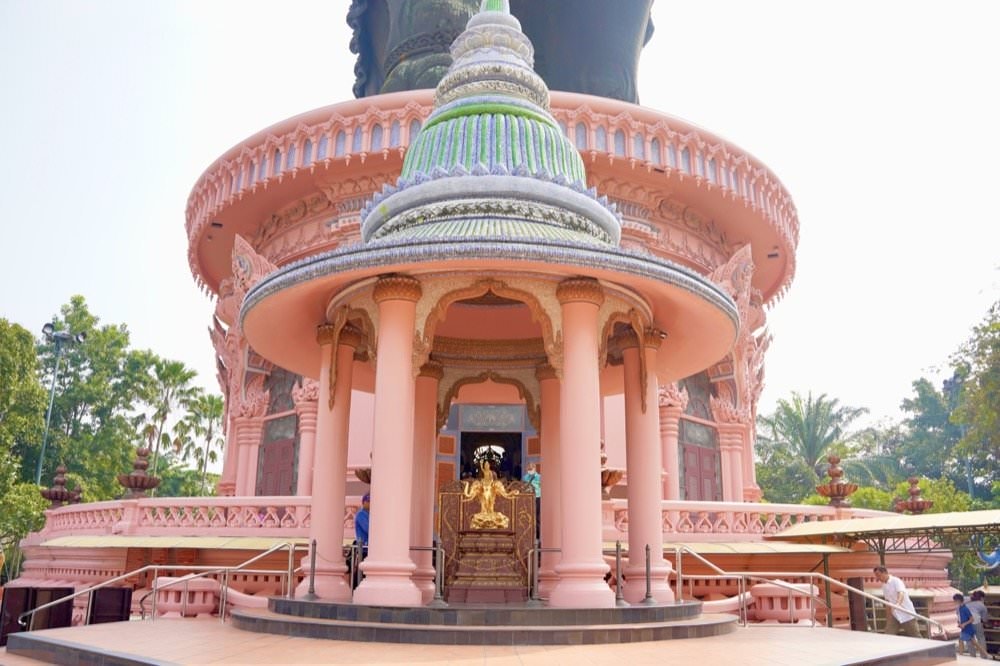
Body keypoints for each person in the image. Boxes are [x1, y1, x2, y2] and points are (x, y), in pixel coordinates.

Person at [873, 566, 920, 637]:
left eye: (878, 575)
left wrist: (898, 604)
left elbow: (901, 593)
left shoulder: (896, 581)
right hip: (895, 615)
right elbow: (888, 602)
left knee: (915, 635)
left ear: (885, 573)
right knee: (888, 635)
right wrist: (888, 618)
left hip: (906, 613)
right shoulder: (884, 586)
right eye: (876, 576)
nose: (878, 578)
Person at [967, 590, 991, 659]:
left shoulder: (967, 603)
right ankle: (983, 656)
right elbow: (985, 620)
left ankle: (972, 656)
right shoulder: (982, 605)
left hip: (966, 622)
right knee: (981, 638)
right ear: (982, 598)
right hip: (976, 621)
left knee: (970, 639)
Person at [522, 462, 541, 538]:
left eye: (531, 469)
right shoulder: (525, 477)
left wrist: (534, 486)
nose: (530, 471)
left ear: (534, 469)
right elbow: (523, 486)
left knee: (536, 517)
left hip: (537, 497)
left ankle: (537, 536)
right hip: (528, 498)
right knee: (527, 517)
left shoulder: (539, 477)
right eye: (529, 469)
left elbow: (541, 487)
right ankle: (528, 535)